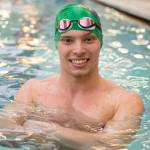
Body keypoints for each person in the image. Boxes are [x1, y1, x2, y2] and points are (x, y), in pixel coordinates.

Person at [0, 3, 144, 150]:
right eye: (68, 40)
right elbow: (3, 131)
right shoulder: (33, 90)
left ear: (100, 42)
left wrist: (50, 131)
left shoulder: (124, 101)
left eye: (88, 40)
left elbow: (112, 145)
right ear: (57, 44)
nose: (79, 50)